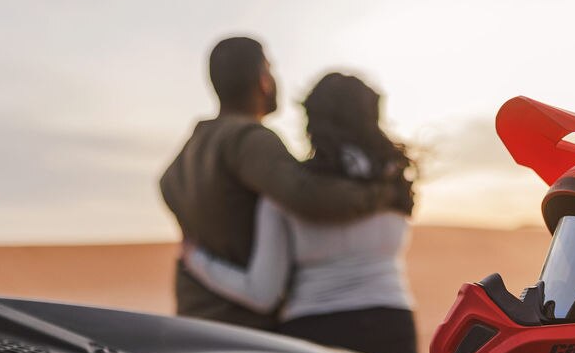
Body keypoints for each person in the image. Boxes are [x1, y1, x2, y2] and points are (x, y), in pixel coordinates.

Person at [160, 37, 405, 330]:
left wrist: (198, 260)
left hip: (194, 315)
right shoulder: (249, 139)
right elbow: (308, 197)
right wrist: (385, 193)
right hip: (244, 325)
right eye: (271, 69)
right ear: (263, 80)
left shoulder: (185, 156)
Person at [181, 72, 418, 353]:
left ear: (311, 122)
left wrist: (199, 261)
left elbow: (261, 293)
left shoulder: (286, 193)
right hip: (392, 324)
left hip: (313, 335)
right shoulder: (393, 182)